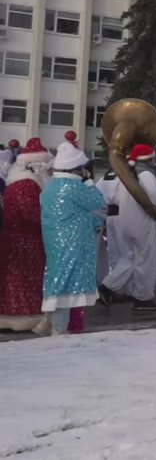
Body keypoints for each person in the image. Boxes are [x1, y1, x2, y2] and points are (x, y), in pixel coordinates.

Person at [36, 140, 105, 336]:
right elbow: (98, 201)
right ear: (76, 168)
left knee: (56, 279)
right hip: (73, 242)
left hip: (53, 240)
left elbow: (71, 212)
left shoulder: (50, 187)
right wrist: (90, 181)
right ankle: (59, 328)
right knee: (67, 284)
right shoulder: (73, 187)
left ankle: (47, 320)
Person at [101, 144, 156, 311]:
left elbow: (116, 198)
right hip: (142, 221)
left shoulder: (126, 174)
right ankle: (143, 298)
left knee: (129, 258)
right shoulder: (145, 173)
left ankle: (108, 286)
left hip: (125, 220)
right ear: (150, 159)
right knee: (146, 259)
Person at [0, 140, 52, 332]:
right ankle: (23, 316)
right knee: (24, 280)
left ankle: (8, 314)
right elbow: (33, 214)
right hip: (25, 241)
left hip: (14, 238)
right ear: (37, 166)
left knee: (12, 279)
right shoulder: (28, 185)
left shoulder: (13, 183)